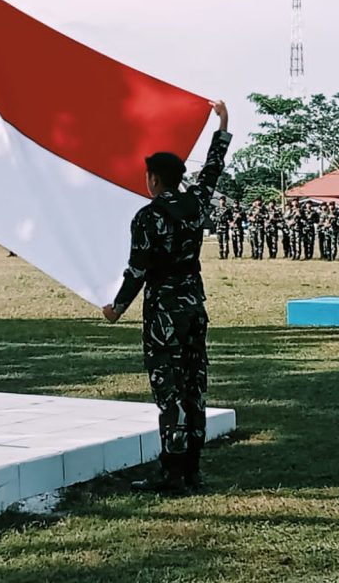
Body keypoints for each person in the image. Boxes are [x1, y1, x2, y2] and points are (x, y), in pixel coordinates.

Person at [103, 101, 230, 494]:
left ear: (154, 179)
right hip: (194, 304)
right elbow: (213, 168)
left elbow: (138, 270)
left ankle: (171, 472)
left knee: (168, 390)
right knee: (194, 386)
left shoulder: (147, 217)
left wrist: (116, 308)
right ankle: (192, 468)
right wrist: (223, 123)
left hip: (163, 313)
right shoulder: (195, 204)